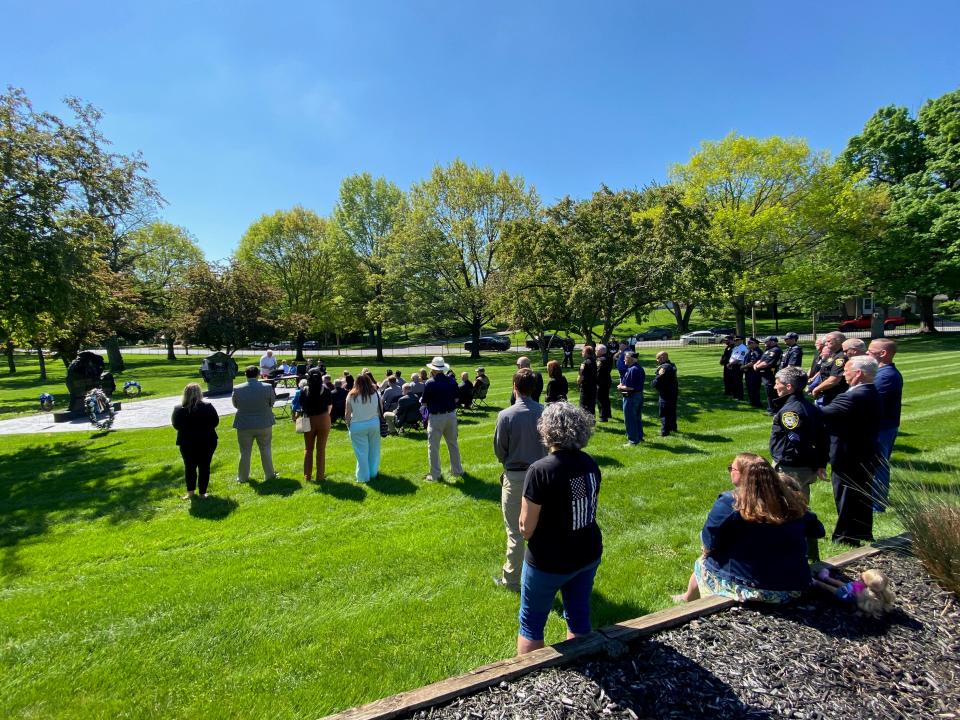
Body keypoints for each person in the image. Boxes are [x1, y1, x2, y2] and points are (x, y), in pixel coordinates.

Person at [674, 454, 825, 604]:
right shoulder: (790, 501)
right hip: (794, 586)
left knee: (703, 561)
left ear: (743, 475)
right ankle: (687, 597)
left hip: (754, 590)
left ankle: (687, 599)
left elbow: (708, 540)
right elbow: (818, 531)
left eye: (731, 468)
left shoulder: (731, 502)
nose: (729, 472)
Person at [517, 402, 602, 655]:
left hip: (548, 561)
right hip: (587, 553)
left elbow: (525, 528)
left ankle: (530, 681)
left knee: (531, 624)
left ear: (547, 431)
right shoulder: (589, 463)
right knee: (578, 615)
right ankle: (583, 663)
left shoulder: (540, 470)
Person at [493, 368, 547, 591]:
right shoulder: (544, 412)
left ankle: (512, 580)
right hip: (542, 475)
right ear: (533, 388)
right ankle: (542, 577)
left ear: (514, 388)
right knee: (541, 530)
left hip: (516, 476)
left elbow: (499, 450)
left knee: (516, 530)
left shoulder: (506, 415)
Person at [820, 355, 882, 545]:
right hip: (866, 452)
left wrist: (797, 401)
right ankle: (861, 531)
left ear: (858, 373)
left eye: (846, 370)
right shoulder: (872, 392)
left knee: (846, 495)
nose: (844, 374)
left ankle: (846, 537)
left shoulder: (852, 396)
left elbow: (820, 414)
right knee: (861, 494)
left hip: (848, 454)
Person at [868, 338, 903, 512]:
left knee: (879, 465)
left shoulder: (886, 376)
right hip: (881, 427)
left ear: (883, 354)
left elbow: (872, 401)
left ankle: (877, 504)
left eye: (870, 351)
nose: (867, 353)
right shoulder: (881, 372)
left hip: (882, 428)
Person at [171, 383, 219, 500]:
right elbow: (215, 422)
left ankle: (190, 492)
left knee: (189, 467)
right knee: (204, 466)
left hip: (187, 442)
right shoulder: (208, 407)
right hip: (207, 440)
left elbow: (176, 425)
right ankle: (203, 493)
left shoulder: (178, 409)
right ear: (199, 393)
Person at [232, 365, 277, 484]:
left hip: (244, 424)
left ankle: (242, 477)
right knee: (266, 449)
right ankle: (270, 474)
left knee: (245, 452)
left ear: (245, 375)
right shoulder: (267, 387)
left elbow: (235, 405)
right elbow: (272, 402)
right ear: (258, 374)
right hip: (264, 423)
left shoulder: (237, 389)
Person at [421, 356, 463, 482]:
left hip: (436, 417)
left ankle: (435, 474)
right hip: (451, 415)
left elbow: (424, 403)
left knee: (433, 447)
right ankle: (457, 470)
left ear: (433, 370)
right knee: (453, 444)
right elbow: (456, 399)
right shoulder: (452, 381)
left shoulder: (430, 383)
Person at [344, 372, 382, 483]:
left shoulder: (351, 395)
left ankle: (363, 477)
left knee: (361, 452)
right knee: (374, 450)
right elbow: (380, 410)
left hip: (358, 425)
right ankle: (373, 473)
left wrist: (348, 424)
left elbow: (347, 413)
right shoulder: (375, 393)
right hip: (373, 424)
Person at [297, 368, 332, 483]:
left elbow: (301, 406)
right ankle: (320, 476)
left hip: (308, 420)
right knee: (321, 450)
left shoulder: (304, 390)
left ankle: (307, 476)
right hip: (323, 419)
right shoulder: (326, 390)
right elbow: (329, 407)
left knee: (308, 449)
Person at [809, 332, 847, 406]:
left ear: (838, 341)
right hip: (827, 394)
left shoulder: (840, 357)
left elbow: (834, 379)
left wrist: (817, 389)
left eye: (829, 341)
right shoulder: (834, 355)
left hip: (835, 396)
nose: (826, 343)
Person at [617, 351, 645, 445]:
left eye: (626, 357)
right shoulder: (637, 368)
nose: (624, 359)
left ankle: (633, 441)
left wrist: (620, 387)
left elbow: (631, 387)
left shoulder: (633, 369)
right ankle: (639, 437)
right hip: (638, 396)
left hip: (631, 397)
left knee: (630, 419)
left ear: (631, 359)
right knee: (637, 418)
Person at [752, 336, 783, 415]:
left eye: (767, 341)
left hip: (770, 374)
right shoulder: (768, 349)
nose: (765, 343)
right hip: (764, 373)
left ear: (773, 341)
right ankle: (771, 408)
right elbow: (762, 359)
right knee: (768, 391)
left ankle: (774, 410)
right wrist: (756, 364)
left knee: (771, 391)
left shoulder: (775, 350)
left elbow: (767, 363)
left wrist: (757, 367)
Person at [651, 351, 678, 437]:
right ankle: (673, 427)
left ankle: (665, 431)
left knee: (664, 412)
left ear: (662, 357)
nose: (657, 360)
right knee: (672, 411)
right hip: (673, 392)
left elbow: (656, 382)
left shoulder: (663, 368)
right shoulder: (672, 365)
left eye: (658, 358)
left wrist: (655, 381)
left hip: (665, 393)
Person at [742, 338, 763, 408]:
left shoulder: (757, 351)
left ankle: (757, 403)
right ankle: (752, 402)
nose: (749, 344)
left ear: (755, 344)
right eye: (748, 343)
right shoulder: (751, 351)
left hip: (754, 372)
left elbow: (754, 362)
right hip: (749, 372)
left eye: (750, 343)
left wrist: (744, 366)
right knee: (749, 388)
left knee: (754, 388)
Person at [577, 345, 597, 416]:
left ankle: (584, 423)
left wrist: (578, 382)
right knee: (591, 405)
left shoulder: (584, 363)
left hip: (586, 387)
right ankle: (592, 422)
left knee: (583, 406)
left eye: (583, 351)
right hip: (593, 386)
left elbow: (581, 375)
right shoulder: (594, 361)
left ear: (587, 353)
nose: (582, 353)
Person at [595, 345, 613, 422]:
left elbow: (598, 372)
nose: (595, 351)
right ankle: (608, 413)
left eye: (596, 350)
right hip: (607, 380)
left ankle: (603, 416)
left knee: (600, 398)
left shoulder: (601, 359)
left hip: (601, 381)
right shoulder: (608, 357)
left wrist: (594, 379)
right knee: (606, 398)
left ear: (601, 351)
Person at [728, 336, 748, 400]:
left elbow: (739, 359)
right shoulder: (736, 347)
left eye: (737, 340)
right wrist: (730, 364)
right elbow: (733, 357)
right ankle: (735, 394)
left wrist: (730, 364)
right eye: (735, 340)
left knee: (738, 381)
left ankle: (739, 396)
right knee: (734, 381)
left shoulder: (743, 348)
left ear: (741, 340)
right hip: (733, 365)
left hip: (738, 366)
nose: (735, 341)